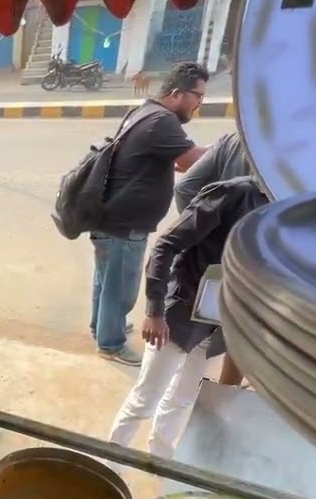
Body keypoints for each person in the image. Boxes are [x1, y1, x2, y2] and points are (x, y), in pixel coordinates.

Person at [107, 175, 270, 457]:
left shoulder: (285, 211)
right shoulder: (234, 195)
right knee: (146, 399)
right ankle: (110, 464)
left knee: (182, 399)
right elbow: (165, 245)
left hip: (218, 325)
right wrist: (155, 311)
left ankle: (160, 459)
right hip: (180, 317)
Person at [91, 62, 210, 366]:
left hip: (109, 216)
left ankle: (102, 326)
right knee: (121, 289)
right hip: (124, 224)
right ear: (176, 93)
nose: (199, 103)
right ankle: (111, 343)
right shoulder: (162, 121)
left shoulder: (142, 111)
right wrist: (226, 149)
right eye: (198, 96)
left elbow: (180, 165)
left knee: (106, 281)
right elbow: (191, 160)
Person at [173, 130, 251, 386]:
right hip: (257, 265)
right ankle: (222, 394)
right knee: (240, 333)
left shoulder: (233, 140)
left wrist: (206, 230)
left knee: (206, 330)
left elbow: (185, 188)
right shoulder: (298, 152)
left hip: (219, 259)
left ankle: (188, 388)